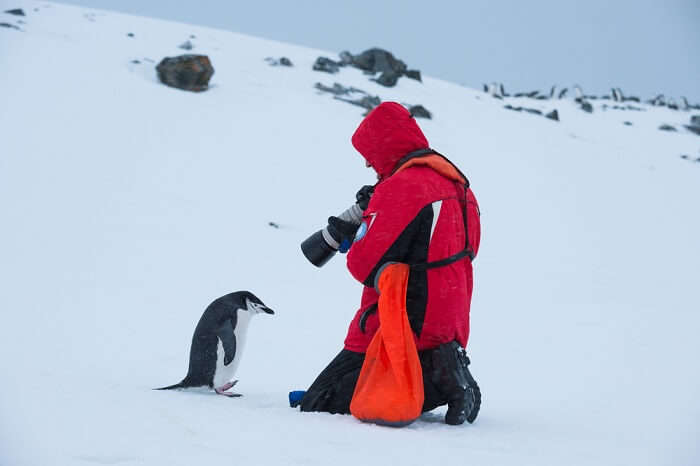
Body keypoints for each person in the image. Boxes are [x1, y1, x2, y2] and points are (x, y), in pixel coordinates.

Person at [298, 102, 482, 425]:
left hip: (400, 329)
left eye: (370, 153)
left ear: (386, 145)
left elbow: (361, 264)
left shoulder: (402, 187)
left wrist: (366, 221)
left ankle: (440, 380)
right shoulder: (461, 187)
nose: (369, 163)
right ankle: (442, 365)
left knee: (320, 400)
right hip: (447, 326)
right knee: (356, 391)